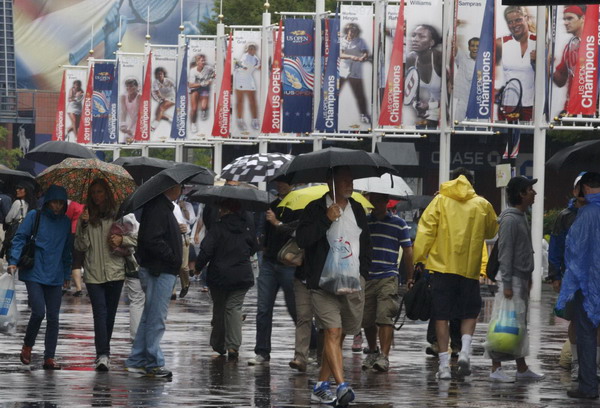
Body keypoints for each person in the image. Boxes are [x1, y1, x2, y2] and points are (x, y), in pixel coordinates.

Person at [296, 166, 371, 406]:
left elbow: (366, 243)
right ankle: (341, 385)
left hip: (352, 281)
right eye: (345, 180)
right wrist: (325, 219)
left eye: (352, 179)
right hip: (322, 283)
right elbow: (303, 240)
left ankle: (320, 385)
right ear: (331, 182)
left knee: (340, 336)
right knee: (332, 331)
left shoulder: (357, 208)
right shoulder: (315, 208)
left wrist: (364, 275)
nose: (350, 184)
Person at [413, 167, 497, 380]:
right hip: (468, 270)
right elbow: (491, 231)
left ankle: (443, 366)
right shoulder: (482, 204)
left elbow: (426, 230)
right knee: (469, 312)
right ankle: (465, 351)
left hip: (441, 268)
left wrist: (419, 259)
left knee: (441, 316)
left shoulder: (440, 201)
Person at [7, 185, 72, 369]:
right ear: (48, 201)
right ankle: (28, 346)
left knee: (53, 317)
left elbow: (67, 250)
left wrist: (66, 273)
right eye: (54, 202)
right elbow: (20, 237)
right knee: (38, 312)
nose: (58, 206)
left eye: (61, 203)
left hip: (55, 274)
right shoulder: (34, 216)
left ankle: (49, 357)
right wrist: (13, 260)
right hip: (34, 271)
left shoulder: (66, 222)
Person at [487, 176, 544, 382]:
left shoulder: (520, 216)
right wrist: (508, 284)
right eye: (530, 189)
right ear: (521, 194)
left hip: (521, 278)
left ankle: (521, 368)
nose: (534, 193)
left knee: (517, 324)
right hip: (512, 281)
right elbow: (505, 253)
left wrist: (528, 277)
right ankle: (495, 368)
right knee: (503, 323)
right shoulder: (510, 219)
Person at [75, 179, 135, 371]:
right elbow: (80, 246)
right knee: (99, 314)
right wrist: (84, 225)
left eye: (100, 192)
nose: (96, 196)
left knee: (109, 316)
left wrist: (122, 238)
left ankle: (104, 352)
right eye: (93, 193)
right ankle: (102, 354)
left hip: (115, 271)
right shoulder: (85, 216)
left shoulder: (119, 214)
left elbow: (137, 237)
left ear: (107, 193)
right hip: (93, 273)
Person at [125, 183, 183, 378]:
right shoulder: (160, 208)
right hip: (160, 270)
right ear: (171, 188)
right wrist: (173, 258)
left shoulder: (159, 207)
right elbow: (153, 240)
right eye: (180, 186)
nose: (181, 190)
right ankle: (153, 362)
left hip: (157, 268)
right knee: (156, 318)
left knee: (149, 316)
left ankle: (137, 360)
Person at [195, 198, 258, 359]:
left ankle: (218, 343)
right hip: (241, 275)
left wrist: (197, 267)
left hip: (219, 276)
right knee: (234, 308)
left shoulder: (217, 228)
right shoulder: (247, 227)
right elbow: (253, 248)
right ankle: (233, 347)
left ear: (224, 210)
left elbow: (206, 251)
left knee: (220, 309)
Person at [556, 172, 600, 399]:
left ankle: (588, 386)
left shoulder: (587, 214)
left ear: (584, 187)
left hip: (589, 284)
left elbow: (575, 252)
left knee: (587, 334)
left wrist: (567, 286)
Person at [248, 180, 299, 366]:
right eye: (277, 181)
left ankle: (312, 345)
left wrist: (277, 222)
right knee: (263, 308)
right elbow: (263, 229)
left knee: (296, 309)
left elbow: (297, 231)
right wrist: (261, 244)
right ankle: (262, 351)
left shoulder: (299, 203)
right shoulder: (272, 204)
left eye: (284, 181)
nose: (280, 185)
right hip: (269, 262)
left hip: (289, 264)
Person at [361, 192, 413, 372]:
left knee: (384, 316)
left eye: (378, 200)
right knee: (366, 319)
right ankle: (373, 351)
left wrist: (410, 277)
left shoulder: (399, 224)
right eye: (372, 200)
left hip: (388, 276)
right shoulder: (365, 222)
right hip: (367, 276)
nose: (375, 204)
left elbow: (408, 251)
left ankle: (384, 356)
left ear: (386, 202)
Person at [548, 173, 588, 377]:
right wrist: (555, 275)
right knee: (574, 319)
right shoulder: (565, 216)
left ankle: (592, 365)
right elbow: (555, 246)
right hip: (572, 277)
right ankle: (576, 362)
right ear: (574, 191)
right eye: (580, 187)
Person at [495, 6, 536, 121]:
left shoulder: (539, 41)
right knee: (507, 138)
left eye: (518, 20)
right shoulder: (500, 43)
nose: (514, 25)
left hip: (532, 104)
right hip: (508, 104)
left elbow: (547, 76)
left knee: (529, 138)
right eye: (510, 22)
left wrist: (539, 62)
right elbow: (487, 68)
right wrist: (494, 89)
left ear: (526, 18)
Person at [406, 24, 443, 128]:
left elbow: (451, 97)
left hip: (446, 110)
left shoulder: (439, 58)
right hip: (427, 109)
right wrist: (417, 105)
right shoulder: (410, 58)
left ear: (431, 42)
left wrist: (430, 106)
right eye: (413, 35)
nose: (415, 39)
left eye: (421, 36)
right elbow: (409, 91)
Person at [552, 5, 586, 114]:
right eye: (564, 19)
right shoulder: (569, 46)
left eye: (570, 18)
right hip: (571, 107)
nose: (566, 22)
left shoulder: (594, 44)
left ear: (583, 19)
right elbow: (561, 80)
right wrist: (548, 65)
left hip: (590, 107)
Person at [339, 23, 371, 126]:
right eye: (351, 31)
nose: (352, 33)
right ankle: (330, 112)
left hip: (356, 71)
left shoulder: (360, 41)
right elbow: (340, 54)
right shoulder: (341, 40)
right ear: (347, 31)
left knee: (360, 94)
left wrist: (364, 57)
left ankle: (363, 114)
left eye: (354, 31)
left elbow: (365, 52)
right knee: (335, 92)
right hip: (342, 70)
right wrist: (352, 57)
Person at [1, 181, 37, 261]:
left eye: (20, 188)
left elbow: (8, 219)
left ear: (26, 191)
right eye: (17, 188)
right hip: (26, 238)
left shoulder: (18, 203)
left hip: (15, 236)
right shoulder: (32, 205)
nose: (17, 190)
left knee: (11, 257)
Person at [234, 43, 260, 132]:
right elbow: (238, 66)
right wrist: (241, 67)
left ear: (255, 49)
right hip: (240, 78)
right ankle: (240, 120)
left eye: (253, 48)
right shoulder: (244, 57)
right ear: (247, 49)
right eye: (250, 48)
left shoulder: (256, 59)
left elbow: (258, 67)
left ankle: (255, 120)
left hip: (249, 78)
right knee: (240, 101)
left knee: (253, 100)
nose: (252, 49)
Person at [454, 37, 479, 122]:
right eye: (472, 46)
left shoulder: (485, 62)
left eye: (477, 46)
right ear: (469, 47)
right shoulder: (462, 57)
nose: (475, 48)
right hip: (463, 100)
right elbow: (453, 46)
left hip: (477, 101)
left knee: (476, 127)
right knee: (458, 125)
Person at [188, 54, 215, 134]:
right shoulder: (193, 71)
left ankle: (204, 110)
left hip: (204, 89)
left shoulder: (208, 68)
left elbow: (215, 73)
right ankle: (193, 124)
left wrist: (211, 78)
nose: (204, 62)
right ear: (197, 62)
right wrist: (201, 84)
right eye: (202, 61)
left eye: (204, 60)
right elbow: (190, 85)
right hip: (195, 88)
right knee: (194, 109)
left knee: (203, 106)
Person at [151, 67, 176, 132]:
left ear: (163, 74)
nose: (160, 75)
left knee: (161, 108)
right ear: (156, 75)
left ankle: (153, 126)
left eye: (161, 74)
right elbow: (158, 93)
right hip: (164, 98)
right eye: (158, 74)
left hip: (172, 97)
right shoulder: (155, 82)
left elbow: (177, 88)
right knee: (158, 114)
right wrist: (161, 99)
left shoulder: (168, 80)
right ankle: (171, 120)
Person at [119, 78, 141, 142]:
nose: (129, 88)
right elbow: (124, 112)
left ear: (136, 87)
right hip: (131, 123)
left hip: (140, 124)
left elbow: (137, 114)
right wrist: (123, 125)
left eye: (131, 86)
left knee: (138, 143)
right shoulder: (123, 97)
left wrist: (131, 129)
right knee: (126, 141)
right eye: (127, 86)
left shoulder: (139, 96)